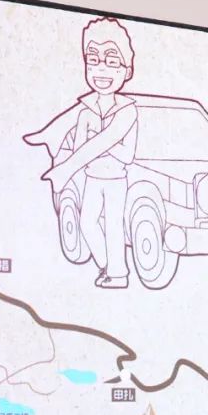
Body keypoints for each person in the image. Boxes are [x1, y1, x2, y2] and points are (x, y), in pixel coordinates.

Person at [44, 16, 139, 289]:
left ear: (126, 70)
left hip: (116, 180)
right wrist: (100, 145)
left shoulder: (127, 111)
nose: (101, 69)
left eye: (111, 61)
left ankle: (118, 275)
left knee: (113, 226)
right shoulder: (85, 112)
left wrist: (100, 144)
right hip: (92, 178)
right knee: (87, 224)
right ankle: (109, 267)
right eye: (93, 60)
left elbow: (127, 155)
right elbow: (80, 148)